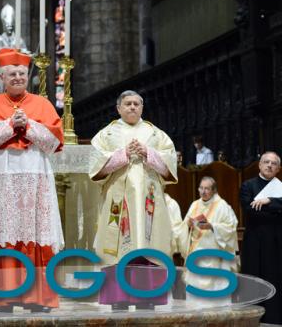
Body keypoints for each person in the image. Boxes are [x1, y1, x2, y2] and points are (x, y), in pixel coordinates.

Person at [0, 48, 64, 313]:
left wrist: (30, 125)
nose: (18, 77)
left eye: (22, 73)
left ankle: (39, 298)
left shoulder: (43, 105)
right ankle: (3, 297)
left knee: (36, 232)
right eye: (12, 73)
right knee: (5, 232)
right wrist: (11, 124)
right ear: (1, 76)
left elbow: (53, 142)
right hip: (4, 179)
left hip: (36, 178)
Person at [90, 90, 177, 310]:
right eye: (127, 104)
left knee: (148, 243)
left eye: (136, 104)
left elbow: (170, 165)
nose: (132, 107)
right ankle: (118, 298)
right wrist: (124, 154)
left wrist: (148, 153)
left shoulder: (155, 134)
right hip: (118, 202)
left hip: (149, 200)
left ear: (142, 107)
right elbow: (95, 168)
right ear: (118, 108)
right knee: (119, 248)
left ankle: (147, 297)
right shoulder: (106, 134)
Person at [240, 151, 282, 323]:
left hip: (277, 242)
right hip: (254, 242)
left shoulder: (280, 187)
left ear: (278, 169)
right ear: (259, 164)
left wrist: (269, 202)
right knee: (254, 279)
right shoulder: (247, 186)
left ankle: (274, 317)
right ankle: (252, 318)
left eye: (273, 163)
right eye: (266, 162)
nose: (269, 165)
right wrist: (277, 211)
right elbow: (250, 211)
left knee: (275, 278)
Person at [183, 177, 238, 306]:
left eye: (207, 188)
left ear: (214, 190)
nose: (203, 191)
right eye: (201, 188)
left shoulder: (222, 205)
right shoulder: (195, 204)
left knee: (214, 292)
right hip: (197, 253)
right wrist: (189, 223)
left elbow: (231, 226)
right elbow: (185, 223)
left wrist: (212, 226)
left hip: (215, 254)